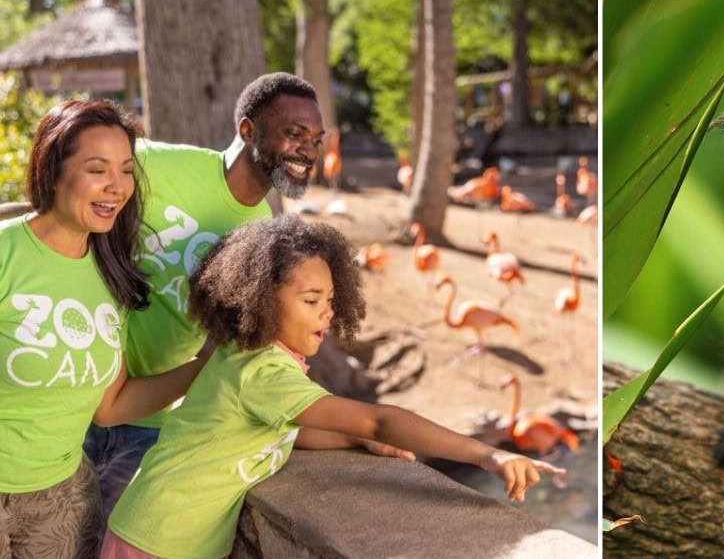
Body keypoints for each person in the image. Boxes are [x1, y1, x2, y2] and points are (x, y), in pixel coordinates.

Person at [100, 215, 565, 558]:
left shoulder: (244, 353)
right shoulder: (262, 372)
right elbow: (379, 420)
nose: (327, 312)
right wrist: (488, 455)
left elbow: (283, 430)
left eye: (330, 299)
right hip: (158, 542)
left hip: (161, 530)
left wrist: (352, 440)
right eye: (310, 300)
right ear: (260, 300)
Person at [83, 73, 333, 521]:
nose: (308, 150)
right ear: (248, 130)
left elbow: (231, 347)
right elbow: (63, 210)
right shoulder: (152, 163)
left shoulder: (262, 235)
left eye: (316, 139)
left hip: (148, 419)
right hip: (73, 397)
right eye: (295, 133)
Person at [0, 100, 211, 558]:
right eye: (98, 170)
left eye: (127, 171)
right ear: (53, 170)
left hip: (63, 503)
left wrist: (206, 365)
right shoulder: (6, 253)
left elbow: (111, 408)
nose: (117, 187)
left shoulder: (111, 273)